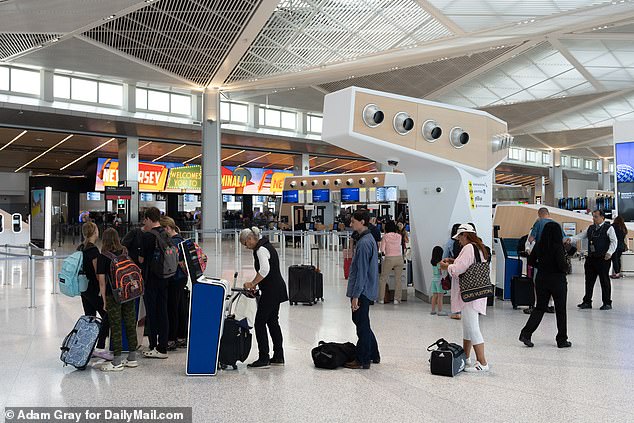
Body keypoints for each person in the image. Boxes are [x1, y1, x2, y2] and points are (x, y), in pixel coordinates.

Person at [439, 224, 489, 372]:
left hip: (468, 294)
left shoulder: (468, 248)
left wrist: (446, 267)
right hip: (475, 292)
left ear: (465, 235)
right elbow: (468, 264)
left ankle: (482, 363)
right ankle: (466, 357)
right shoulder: (478, 246)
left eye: (459, 237)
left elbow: (460, 269)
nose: (458, 241)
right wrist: (454, 261)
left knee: (473, 327)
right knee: (467, 327)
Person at [240, 226, 288, 369]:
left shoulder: (261, 249)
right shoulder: (266, 245)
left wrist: (253, 283)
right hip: (276, 288)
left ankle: (264, 357)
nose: (246, 247)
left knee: (260, 322)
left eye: (245, 243)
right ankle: (279, 355)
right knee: (273, 322)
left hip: (271, 291)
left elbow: (265, 270)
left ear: (250, 238)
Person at [519, 222, 572, 348]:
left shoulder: (539, 245)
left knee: (540, 307)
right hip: (557, 280)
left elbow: (531, 261)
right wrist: (567, 264)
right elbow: (562, 266)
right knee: (560, 310)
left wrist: (542, 266)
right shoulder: (558, 247)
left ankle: (526, 333)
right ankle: (561, 339)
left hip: (542, 278)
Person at [96, 228, 138, 371]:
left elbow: (102, 282)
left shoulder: (103, 256)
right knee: (130, 323)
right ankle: (132, 358)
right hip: (129, 292)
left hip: (113, 295)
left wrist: (104, 300)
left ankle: (117, 361)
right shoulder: (125, 251)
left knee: (115, 326)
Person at [345, 209, 380, 370]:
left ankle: (363, 359)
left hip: (362, 291)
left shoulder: (365, 243)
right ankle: (373, 354)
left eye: (353, 221)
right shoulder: (367, 239)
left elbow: (362, 272)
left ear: (362, 222)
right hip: (365, 289)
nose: (351, 224)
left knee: (362, 325)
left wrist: (355, 295)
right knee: (362, 322)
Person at [566, 209, 617, 310]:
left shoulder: (609, 228)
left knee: (604, 281)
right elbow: (581, 236)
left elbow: (614, 241)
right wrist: (571, 239)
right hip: (591, 259)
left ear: (602, 217)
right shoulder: (590, 228)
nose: (593, 218)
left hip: (603, 259)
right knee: (589, 281)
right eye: (593, 216)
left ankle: (607, 302)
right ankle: (587, 301)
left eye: (596, 217)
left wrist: (609, 252)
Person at [78, 222, 111, 360]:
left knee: (90, 318)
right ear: (94, 232)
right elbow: (98, 274)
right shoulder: (93, 251)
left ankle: (88, 347)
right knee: (106, 315)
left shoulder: (80, 248)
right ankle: (100, 347)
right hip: (93, 289)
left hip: (83, 289)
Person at [140, 207, 170, 359]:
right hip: (165, 276)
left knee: (151, 312)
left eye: (145, 219)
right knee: (163, 311)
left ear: (149, 219)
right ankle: (163, 345)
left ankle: (153, 345)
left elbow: (141, 259)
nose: (144, 222)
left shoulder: (148, 236)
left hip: (151, 278)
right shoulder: (165, 233)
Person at [160, 216, 188, 350]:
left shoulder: (172, 243)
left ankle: (171, 338)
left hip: (174, 278)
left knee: (172, 309)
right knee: (181, 307)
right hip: (182, 278)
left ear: (168, 228)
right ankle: (181, 336)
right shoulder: (182, 240)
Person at [378, 221, 403, 305]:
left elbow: (382, 249)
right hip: (399, 258)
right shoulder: (399, 236)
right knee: (398, 279)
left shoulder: (385, 236)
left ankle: (381, 299)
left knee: (383, 278)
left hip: (389, 258)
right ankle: (397, 299)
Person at [443, 223, 462, 320]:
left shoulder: (450, 242)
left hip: (453, 268)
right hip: (464, 269)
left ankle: (456, 312)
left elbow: (445, 256)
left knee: (455, 291)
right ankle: (464, 310)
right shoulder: (467, 244)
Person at [430, 246, 447, 316]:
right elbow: (442, 271)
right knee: (440, 297)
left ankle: (433, 310)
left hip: (433, 280)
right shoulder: (440, 263)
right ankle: (440, 311)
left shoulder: (433, 262)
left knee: (434, 296)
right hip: (439, 281)